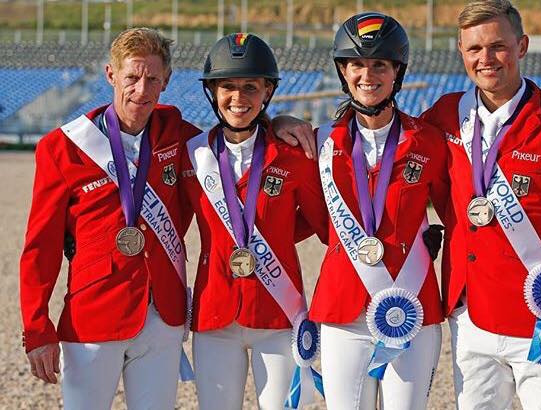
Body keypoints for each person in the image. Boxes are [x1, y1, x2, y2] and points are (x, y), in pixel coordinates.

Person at [419, 1, 541, 408]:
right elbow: (388, 141)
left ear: (521, 46)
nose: (485, 59)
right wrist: (283, 125)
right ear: (460, 51)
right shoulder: (445, 116)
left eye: (497, 46)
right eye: (474, 50)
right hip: (471, 319)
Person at [20, 27, 198, 409]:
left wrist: (280, 125)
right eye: (132, 77)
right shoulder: (63, 148)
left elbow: (235, 146)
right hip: (93, 315)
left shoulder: (176, 132)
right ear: (110, 75)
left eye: (152, 79)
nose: (141, 89)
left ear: (166, 81)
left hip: (162, 315)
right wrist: (37, 328)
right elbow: (41, 246)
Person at [179, 33, 328, 409]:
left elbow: (325, 224)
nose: (238, 97)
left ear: (267, 92)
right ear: (212, 91)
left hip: (277, 315)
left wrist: (276, 237)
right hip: (215, 315)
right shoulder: (191, 156)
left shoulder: (294, 156)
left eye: (251, 87)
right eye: (227, 86)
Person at [308, 12, 449, 410]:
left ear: (396, 72)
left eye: (379, 65)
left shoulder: (430, 143)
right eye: (356, 64)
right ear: (343, 71)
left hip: (412, 308)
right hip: (343, 311)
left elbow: (457, 213)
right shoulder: (318, 143)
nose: (367, 74)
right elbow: (315, 220)